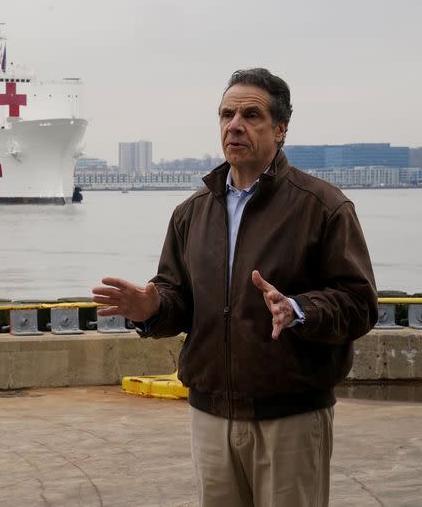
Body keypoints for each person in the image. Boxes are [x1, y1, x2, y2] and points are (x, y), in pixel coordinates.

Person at [92, 68, 377, 507]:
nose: (234, 125)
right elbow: (178, 300)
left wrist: (298, 309)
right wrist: (151, 308)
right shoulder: (191, 213)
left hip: (291, 416)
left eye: (251, 115)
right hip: (210, 415)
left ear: (280, 129)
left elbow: (359, 304)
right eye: (226, 114)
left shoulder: (323, 207)